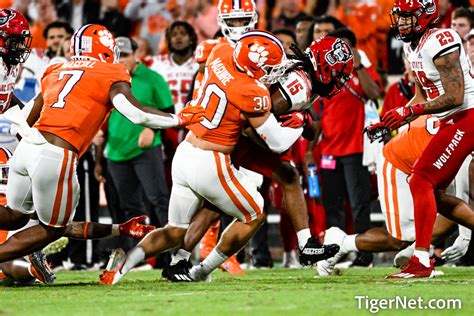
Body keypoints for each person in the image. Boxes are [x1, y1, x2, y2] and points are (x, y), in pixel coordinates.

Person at [98, 30, 310, 285]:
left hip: (186, 152)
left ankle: (121, 266)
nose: (272, 72)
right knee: (254, 213)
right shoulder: (252, 90)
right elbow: (277, 143)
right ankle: (202, 270)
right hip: (212, 162)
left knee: (174, 230)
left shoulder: (219, 54)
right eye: (269, 68)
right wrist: (299, 122)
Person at [0, 24, 205, 264]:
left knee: (15, 217)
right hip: (57, 152)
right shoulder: (110, 71)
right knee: (53, 229)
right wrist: (179, 118)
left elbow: (24, 121)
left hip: (27, 146)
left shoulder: (56, 68)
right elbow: (137, 114)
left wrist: (32, 152)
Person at [160, 35, 355, 281]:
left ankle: (183, 263)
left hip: (239, 133)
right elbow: (257, 121)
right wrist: (299, 124)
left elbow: (296, 120)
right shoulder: (298, 86)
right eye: (337, 74)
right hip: (240, 137)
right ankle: (185, 264)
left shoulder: (303, 77)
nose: (338, 82)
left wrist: (304, 122)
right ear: (325, 68)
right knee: (231, 204)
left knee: (283, 179)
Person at [381, 0, 474, 278]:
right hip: (454, 119)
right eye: (399, 18)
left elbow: (455, 96)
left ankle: (421, 259)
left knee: (421, 179)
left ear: (424, 17)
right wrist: (395, 118)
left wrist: (412, 111)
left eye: (407, 18)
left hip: (467, 116)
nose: (401, 23)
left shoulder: (440, 40)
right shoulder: (414, 46)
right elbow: (424, 95)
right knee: (430, 188)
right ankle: (422, 255)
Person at [317, 114, 474, 276]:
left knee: (446, 214)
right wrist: (465, 237)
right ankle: (341, 244)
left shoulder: (463, 114)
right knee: (399, 239)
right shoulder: (465, 132)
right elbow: (460, 194)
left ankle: (414, 251)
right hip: (399, 165)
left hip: (420, 168)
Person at [97, 36, 174, 245]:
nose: (121, 61)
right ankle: (136, 254)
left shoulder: (152, 78)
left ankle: (172, 250)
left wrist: (152, 129)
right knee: (129, 207)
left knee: (158, 199)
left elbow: (169, 111)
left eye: (125, 56)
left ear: (137, 55)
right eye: (116, 56)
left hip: (146, 150)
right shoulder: (106, 79)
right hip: (115, 151)